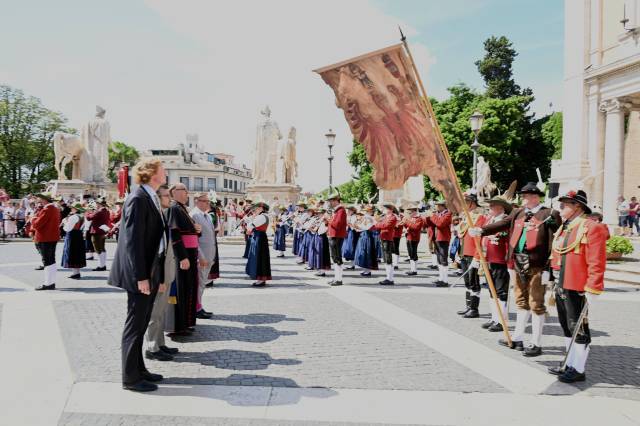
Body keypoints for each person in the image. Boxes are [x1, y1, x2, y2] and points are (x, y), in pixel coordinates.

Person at [472, 182, 561, 357]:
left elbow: (558, 238)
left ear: (537, 197)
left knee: (536, 303)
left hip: (538, 264)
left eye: (529, 196)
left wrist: (550, 267)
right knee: (521, 300)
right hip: (518, 262)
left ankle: (536, 343)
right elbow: (503, 224)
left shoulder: (549, 214)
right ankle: (518, 338)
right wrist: (481, 230)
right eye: (524, 196)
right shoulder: (518, 212)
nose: (526, 199)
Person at [108, 158, 167, 392]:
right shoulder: (138, 198)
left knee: (142, 323)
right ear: (152, 173)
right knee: (135, 324)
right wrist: (141, 276)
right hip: (139, 275)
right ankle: (130, 378)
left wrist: (157, 276)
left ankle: (139, 369)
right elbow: (132, 242)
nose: (165, 173)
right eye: (162, 169)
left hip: (150, 271)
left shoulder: (149, 196)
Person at [548, 189, 608, 383]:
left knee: (578, 328)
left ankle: (579, 368)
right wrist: (549, 276)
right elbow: (557, 254)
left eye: (565, 204)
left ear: (577, 207)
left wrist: (594, 287)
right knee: (567, 326)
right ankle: (570, 363)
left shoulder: (591, 227)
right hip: (562, 282)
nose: (561, 206)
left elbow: (596, 260)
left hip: (577, 285)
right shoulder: (566, 227)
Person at [145, 184, 179, 362]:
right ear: (157, 199)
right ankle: (152, 347)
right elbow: (157, 252)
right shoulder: (155, 218)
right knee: (155, 312)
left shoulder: (163, 215)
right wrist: (159, 277)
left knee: (161, 310)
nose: (170, 199)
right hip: (160, 273)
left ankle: (160, 343)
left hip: (167, 271)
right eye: (166, 196)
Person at [166, 183, 200, 336]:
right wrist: (182, 257)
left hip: (190, 254)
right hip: (184, 255)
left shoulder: (182, 208)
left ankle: (186, 322)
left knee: (189, 289)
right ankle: (178, 326)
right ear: (175, 192)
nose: (187, 193)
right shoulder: (174, 208)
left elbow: (189, 231)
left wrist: (196, 230)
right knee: (181, 290)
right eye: (185, 191)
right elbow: (174, 234)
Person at [481, 196, 512, 332]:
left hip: (501, 260)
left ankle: (501, 320)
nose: (490, 208)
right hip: (490, 259)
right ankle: (494, 317)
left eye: (492, 206)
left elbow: (505, 237)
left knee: (501, 291)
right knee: (491, 290)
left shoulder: (506, 221)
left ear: (500, 208)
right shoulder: (491, 220)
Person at [457, 192, 487, 317]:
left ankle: (474, 309)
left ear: (472, 203)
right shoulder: (466, 216)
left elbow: (480, 238)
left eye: (466, 201)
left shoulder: (480, 217)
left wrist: (477, 256)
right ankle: (468, 306)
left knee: (474, 281)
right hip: (464, 252)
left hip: (473, 253)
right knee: (467, 281)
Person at [190, 192, 215, 320]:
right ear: (197, 201)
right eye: (205, 201)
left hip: (209, 254)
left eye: (208, 201)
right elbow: (195, 238)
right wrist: (200, 255)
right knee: (199, 283)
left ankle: (199, 305)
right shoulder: (194, 215)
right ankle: (196, 308)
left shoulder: (207, 216)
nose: (208, 203)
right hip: (202, 256)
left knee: (202, 283)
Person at [31, 193, 62, 290]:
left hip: (45, 238)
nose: (39, 199)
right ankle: (50, 282)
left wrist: (33, 219)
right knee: (51, 260)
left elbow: (37, 224)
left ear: (45, 199)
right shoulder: (54, 208)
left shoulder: (47, 209)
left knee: (47, 261)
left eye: (40, 198)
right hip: (52, 237)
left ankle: (49, 283)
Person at [426, 200, 453, 287]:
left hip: (443, 239)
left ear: (442, 206)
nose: (436, 207)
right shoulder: (437, 214)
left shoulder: (448, 214)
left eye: (437, 206)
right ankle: (441, 278)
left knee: (443, 260)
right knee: (439, 260)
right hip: (436, 238)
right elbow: (430, 223)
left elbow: (440, 223)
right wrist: (427, 217)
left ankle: (445, 280)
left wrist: (432, 215)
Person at [245, 202, 272, 287]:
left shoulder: (261, 217)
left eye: (256, 209)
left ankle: (261, 279)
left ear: (261, 208)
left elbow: (250, 227)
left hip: (259, 238)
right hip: (259, 237)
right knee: (260, 257)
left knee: (259, 257)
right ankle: (260, 278)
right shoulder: (262, 216)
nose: (254, 210)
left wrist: (250, 219)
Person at [61, 203, 87, 279]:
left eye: (72, 208)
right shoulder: (82, 216)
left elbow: (67, 229)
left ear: (76, 209)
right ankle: (77, 272)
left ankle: (75, 273)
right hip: (79, 235)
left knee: (72, 253)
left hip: (72, 236)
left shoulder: (73, 217)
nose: (71, 209)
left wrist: (64, 222)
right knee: (77, 254)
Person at [374, 203, 399, 285]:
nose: (383, 210)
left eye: (385, 209)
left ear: (390, 210)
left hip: (387, 239)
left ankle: (390, 278)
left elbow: (385, 225)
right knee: (386, 259)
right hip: (383, 238)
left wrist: (377, 224)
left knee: (388, 259)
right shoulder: (386, 217)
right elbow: (380, 224)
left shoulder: (392, 217)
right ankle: (388, 277)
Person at [327, 192, 347, 286]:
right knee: (335, 258)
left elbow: (337, 225)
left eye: (330, 201)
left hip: (337, 236)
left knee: (337, 258)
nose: (329, 203)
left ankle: (339, 279)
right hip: (334, 236)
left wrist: (328, 220)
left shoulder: (341, 210)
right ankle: (336, 278)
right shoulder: (337, 211)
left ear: (335, 201)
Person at [86, 197, 111, 271]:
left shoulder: (99, 211)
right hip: (102, 231)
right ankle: (103, 265)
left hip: (96, 232)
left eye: (97, 204)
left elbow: (89, 218)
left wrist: (88, 212)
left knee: (98, 249)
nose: (96, 205)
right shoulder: (106, 211)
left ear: (99, 204)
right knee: (102, 248)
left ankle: (101, 266)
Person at [354, 205, 378, 276]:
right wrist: (357, 228)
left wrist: (359, 226)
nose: (366, 212)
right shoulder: (366, 218)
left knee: (367, 252)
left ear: (370, 212)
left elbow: (367, 227)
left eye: (367, 211)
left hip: (367, 236)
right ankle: (365, 269)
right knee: (363, 252)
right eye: (366, 211)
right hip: (363, 235)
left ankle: (368, 270)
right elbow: (362, 227)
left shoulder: (370, 218)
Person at [402, 204, 424, 276]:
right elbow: (408, 225)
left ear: (415, 211)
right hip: (409, 237)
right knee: (410, 254)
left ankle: (414, 270)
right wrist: (403, 223)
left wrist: (406, 221)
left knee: (413, 253)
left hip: (414, 238)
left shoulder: (419, 218)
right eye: (409, 212)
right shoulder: (411, 218)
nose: (409, 213)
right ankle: (412, 269)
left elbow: (415, 227)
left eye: (411, 212)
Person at [342, 206, 360, 271]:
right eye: (348, 210)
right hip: (349, 232)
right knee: (349, 247)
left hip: (352, 233)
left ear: (353, 211)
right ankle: (351, 264)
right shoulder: (350, 216)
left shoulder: (354, 216)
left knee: (351, 247)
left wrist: (348, 223)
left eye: (350, 210)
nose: (348, 212)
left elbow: (354, 226)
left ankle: (352, 264)